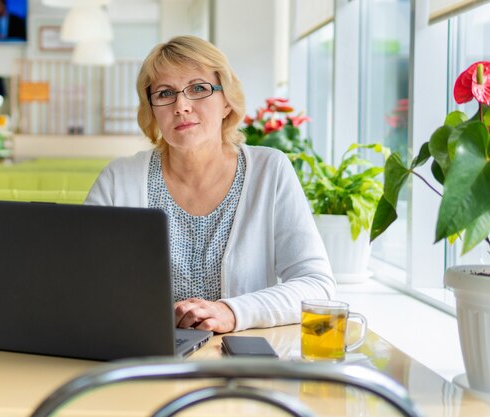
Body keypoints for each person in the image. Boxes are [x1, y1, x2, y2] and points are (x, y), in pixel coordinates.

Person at [84, 35, 335, 333]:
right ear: (152, 109)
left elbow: (317, 286)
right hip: (145, 355)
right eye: (165, 94)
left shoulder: (270, 170)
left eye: (199, 88)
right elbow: (82, 282)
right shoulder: (118, 178)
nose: (181, 106)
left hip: (239, 361)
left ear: (227, 101)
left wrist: (232, 311)